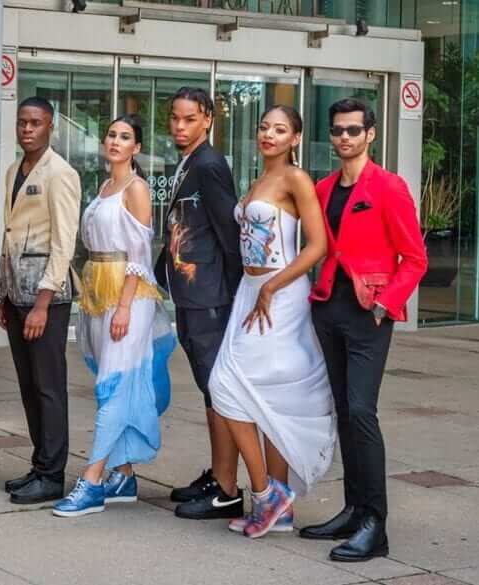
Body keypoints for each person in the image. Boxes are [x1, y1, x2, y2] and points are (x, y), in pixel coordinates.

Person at [300, 98, 427, 562]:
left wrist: (386, 304)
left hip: (368, 311)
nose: (345, 137)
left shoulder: (388, 187)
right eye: (337, 130)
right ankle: (354, 510)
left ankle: (376, 523)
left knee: (361, 411)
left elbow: (415, 258)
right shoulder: (323, 188)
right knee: (343, 412)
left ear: (370, 134)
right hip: (328, 308)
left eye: (353, 130)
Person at [208, 106, 337, 538]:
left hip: (279, 295)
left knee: (224, 385)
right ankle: (278, 507)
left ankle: (265, 493)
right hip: (250, 292)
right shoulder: (259, 179)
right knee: (260, 393)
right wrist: (255, 288)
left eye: (280, 130)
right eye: (264, 127)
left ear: (295, 138)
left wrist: (272, 286)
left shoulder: (295, 179)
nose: (268, 134)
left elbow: (317, 245)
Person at [53, 115, 175, 517]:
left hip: (129, 298)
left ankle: (92, 480)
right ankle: (123, 475)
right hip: (99, 294)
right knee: (111, 383)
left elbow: (139, 252)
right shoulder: (105, 186)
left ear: (136, 148)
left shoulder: (136, 188)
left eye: (125, 137)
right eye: (111, 135)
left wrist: (124, 306)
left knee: (113, 386)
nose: (115, 141)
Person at [153, 87, 245, 520]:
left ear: (207, 118)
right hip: (191, 295)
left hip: (211, 298)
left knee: (219, 391)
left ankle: (227, 489)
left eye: (189, 119)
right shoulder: (188, 162)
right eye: (175, 118)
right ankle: (218, 475)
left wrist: (235, 297)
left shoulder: (209, 164)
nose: (179, 126)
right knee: (210, 391)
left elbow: (230, 235)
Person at [0, 97, 81, 505]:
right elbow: (10, 234)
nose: (27, 129)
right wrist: (4, 294)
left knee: (49, 387)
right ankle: (40, 463)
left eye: (36, 123)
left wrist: (43, 303)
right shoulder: (14, 170)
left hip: (46, 299)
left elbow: (64, 242)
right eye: (22, 123)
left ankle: (53, 474)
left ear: (50, 127)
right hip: (17, 294)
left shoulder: (60, 173)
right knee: (29, 386)